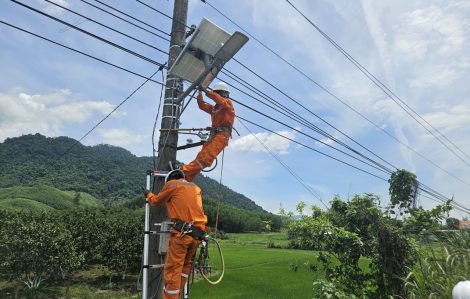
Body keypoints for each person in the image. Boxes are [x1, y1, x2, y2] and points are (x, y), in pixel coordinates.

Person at [143, 169, 208, 299]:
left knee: (173, 269)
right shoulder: (195, 187)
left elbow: (157, 201)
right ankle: (177, 296)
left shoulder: (172, 185)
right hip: (197, 236)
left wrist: (148, 194)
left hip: (182, 235)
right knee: (184, 267)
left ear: (169, 179)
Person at [179, 82, 235, 181]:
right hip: (213, 135)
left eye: (218, 93)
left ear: (225, 94)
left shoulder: (227, 103)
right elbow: (202, 105)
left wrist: (206, 90)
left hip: (222, 135)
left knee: (206, 158)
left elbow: (220, 100)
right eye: (215, 93)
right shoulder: (215, 108)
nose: (216, 95)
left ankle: (182, 172)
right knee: (201, 157)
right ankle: (185, 178)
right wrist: (200, 92)